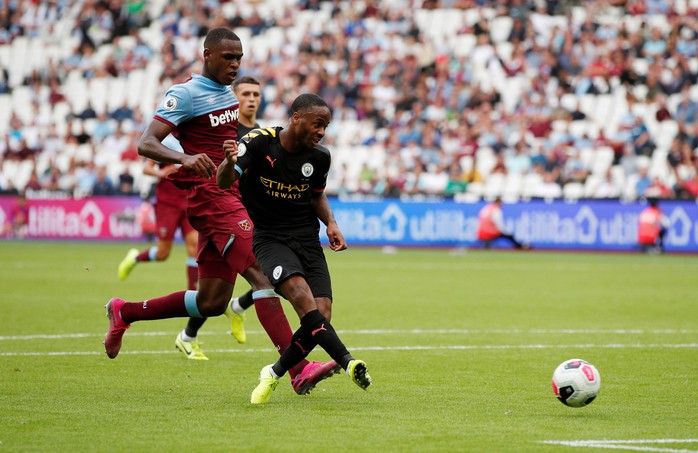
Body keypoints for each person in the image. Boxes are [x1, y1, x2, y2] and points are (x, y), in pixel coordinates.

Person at [104, 28, 339, 396]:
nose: (235, 64)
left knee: (211, 302)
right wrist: (183, 157)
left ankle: (125, 311)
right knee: (262, 274)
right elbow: (145, 143)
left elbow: (233, 145)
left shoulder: (226, 95)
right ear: (207, 54)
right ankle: (297, 368)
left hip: (226, 196)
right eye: (228, 57)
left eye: (239, 58)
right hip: (211, 197)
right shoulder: (185, 94)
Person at [218, 93, 373, 404]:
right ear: (297, 118)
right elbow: (224, 182)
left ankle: (274, 373)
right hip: (270, 238)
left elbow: (316, 196)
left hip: (306, 237)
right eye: (318, 124)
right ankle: (349, 362)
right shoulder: (259, 142)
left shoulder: (320, 157)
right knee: (303, 299)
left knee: (322, 315)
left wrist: (331, 223)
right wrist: (229, 162)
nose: (321, 131)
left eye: (326, 126)